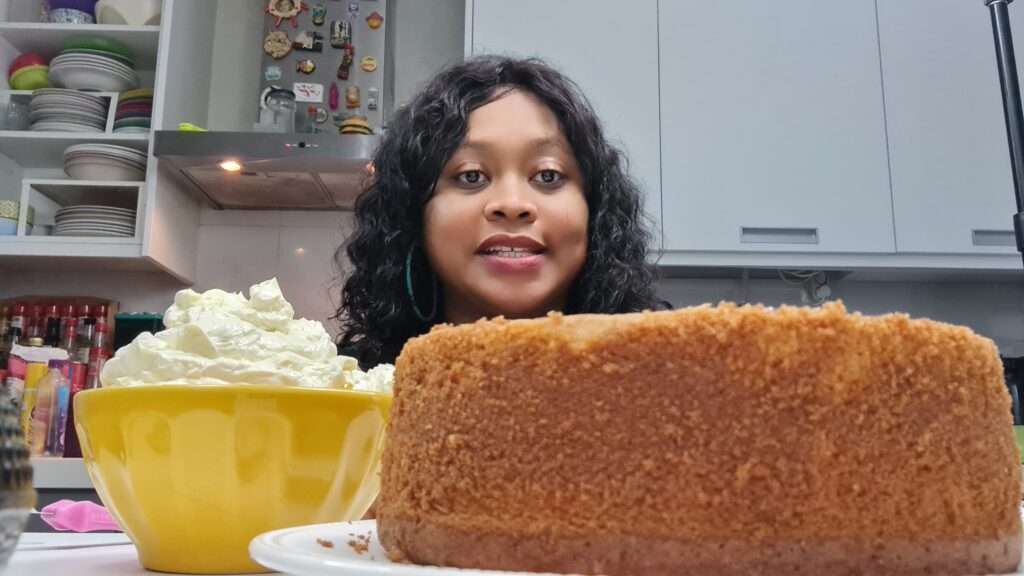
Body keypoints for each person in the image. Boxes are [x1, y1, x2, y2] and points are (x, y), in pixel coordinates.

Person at [334, 55, 665, 367]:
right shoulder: (341, 387)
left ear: (595, 210)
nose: (512, 204)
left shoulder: (662, 384)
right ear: (414, 216)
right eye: (471, 176)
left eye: (548, 175)